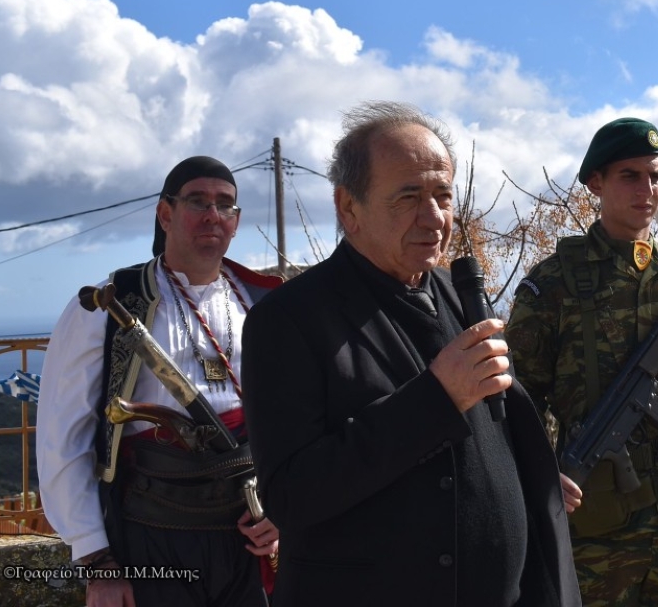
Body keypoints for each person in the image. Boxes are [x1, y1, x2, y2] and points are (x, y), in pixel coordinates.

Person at [241, 101, 582, 607]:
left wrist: (526, 477)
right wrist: (436, 397)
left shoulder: (457, 293)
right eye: (409, 197)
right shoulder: (287, 319)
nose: (435, 217)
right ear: (348, 207)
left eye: (443, 195)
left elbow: (489, 427)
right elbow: (291, 495)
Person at [505, 117, 658, 607]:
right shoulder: (553, 285)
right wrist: (543, 473)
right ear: (597, 182)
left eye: (655, 176)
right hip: (597, 523)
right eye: (629, 176)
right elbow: (516, 399)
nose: (647, 190)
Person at [38, 156, 282, 607]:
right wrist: (97, 561)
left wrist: (283, 512)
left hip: (249, 540)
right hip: (153, 538)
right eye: (198, 201)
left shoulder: (264, 302)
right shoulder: (107, 308)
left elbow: (295, 420)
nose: (213, 215)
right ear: (165, 213)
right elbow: (62, 438)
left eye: (225, 205)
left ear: (237, 222)